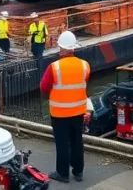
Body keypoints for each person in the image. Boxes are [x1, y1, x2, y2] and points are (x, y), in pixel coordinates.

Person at [39, 31, 89, 183]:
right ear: (73, 47)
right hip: (79, 111)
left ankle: (62, 173)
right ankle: (78, 171)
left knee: (62, 143)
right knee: (77, 141)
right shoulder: (84, 65)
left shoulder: (54, 67)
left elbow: (43, 87)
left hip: (59, 113)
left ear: (60, 48)